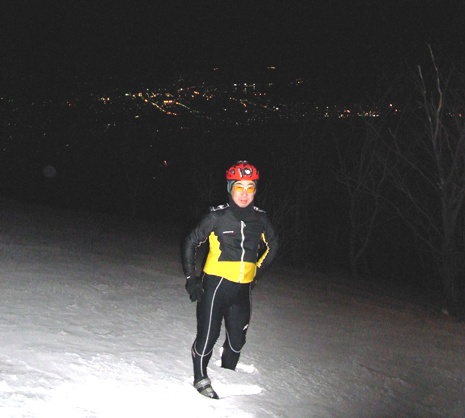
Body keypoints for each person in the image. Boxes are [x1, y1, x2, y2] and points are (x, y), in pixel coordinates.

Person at [181, 160, 278, 399]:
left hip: (243, 290)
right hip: (215, 286)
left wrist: (257, 271)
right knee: (208, 336)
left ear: (255, 189)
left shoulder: (260, 219)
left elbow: (274, 244)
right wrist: (192, 278)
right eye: (239, 187)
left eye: (250, 188)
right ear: (230, 188)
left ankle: (228, 372)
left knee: (237, 341)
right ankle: (200, 376)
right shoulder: (217, 217)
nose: (244, 194)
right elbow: (190, 242)